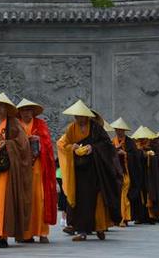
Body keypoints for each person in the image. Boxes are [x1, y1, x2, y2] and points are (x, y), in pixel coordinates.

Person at [57, 99, 121, 242]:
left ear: (87, 116)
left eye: (81, 116)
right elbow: (63, 145)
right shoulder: (71, 129)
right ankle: (82, 231)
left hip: (95, 170)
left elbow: (106, 145)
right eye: (76, 116)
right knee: (80, 201)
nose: (78, 119)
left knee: (97, 199)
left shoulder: (96, 128)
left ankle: (100, 227)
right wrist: (72, 148)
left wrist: (93, 148)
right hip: (78, 172)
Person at [0, 93, 33, 249]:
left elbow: (23, 143)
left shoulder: (14, 123)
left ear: (7, 108)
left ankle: (3, 234)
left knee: (4, 200)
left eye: (2, 106)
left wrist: (7, 144)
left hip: (8, 168)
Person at [16, 98, 57, 244]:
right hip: (21, 168)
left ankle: (42, 232)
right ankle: (25, 233)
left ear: (33, 112)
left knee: (39, 199)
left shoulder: (41, 124)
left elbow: (47, 144)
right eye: (23, 110)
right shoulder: (16, 125)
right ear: (19, 112)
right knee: (23, 201)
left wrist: (38, 141)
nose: (26, 113)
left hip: (38, 168)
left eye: (29, 110)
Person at [110, 117, 143, 227]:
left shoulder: (130, 142)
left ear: (124, 130)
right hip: (115, 173)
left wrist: (125, 154)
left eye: (120, 130)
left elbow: (136, 156)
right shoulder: (112, 142)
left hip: (127, 172)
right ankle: (117, 217)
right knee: (117, 195)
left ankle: (124, 217)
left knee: (124, 194)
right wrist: (115, 150)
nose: (118, 131)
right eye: (117, 129)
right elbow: (108, 155)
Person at [56, 158, 68, 227]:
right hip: (63, 175)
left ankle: (63, 219)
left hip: (59, 175)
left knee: (62, 197)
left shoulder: (60, 155)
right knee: (65, 197)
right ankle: (65, 219)